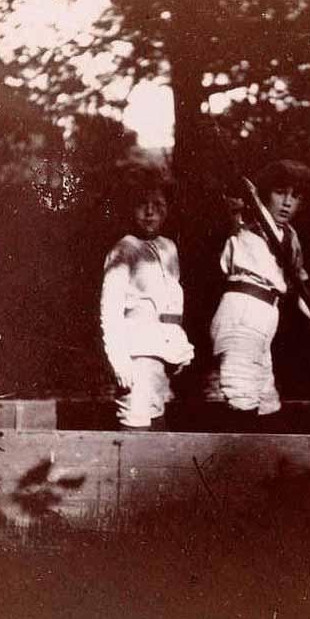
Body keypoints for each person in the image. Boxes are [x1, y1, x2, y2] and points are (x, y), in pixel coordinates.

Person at [210, 159, 310, 420]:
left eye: (295, 196)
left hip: (265, 320)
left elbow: (300, 290)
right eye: (280, 192)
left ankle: (261, 457)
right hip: (240, 315)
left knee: (267, 403)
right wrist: (249, 192)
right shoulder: (248, 219)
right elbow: (237, 197)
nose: (287, 202)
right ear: (264, 193)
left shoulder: (290, 237)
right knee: (241, 396)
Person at [100, 176, 194, 430]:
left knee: (156, 419)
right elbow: (110, 311)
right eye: (142, 204)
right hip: (135, 351)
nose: (150, 211)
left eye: (158, 204)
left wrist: (178, 346)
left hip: (161, 352)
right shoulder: (124, 249)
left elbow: (172, 304)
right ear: (130, 208)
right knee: (135, 420)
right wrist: (118, 359)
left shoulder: (169, 248)